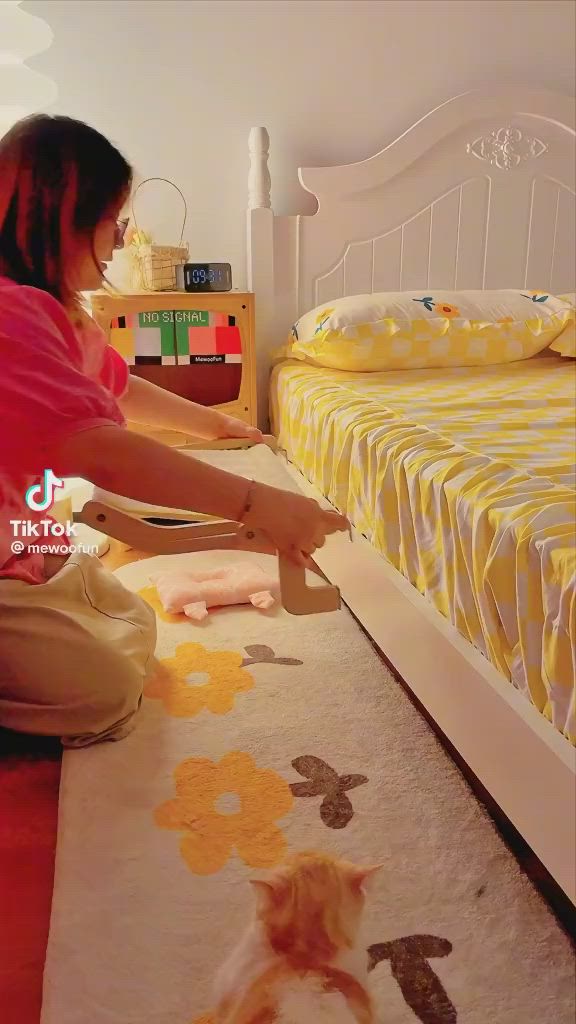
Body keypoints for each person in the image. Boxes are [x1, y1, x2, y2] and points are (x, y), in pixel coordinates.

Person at [0, 115, 348, 748]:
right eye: (115, 222)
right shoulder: (10, 313)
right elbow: (100, 450)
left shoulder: (57, 314)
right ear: (65, 220)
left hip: (16, 542)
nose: (120, 240)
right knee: (102, 689)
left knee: (126, 616)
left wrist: (218, 424)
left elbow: (118, 387)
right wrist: (260, 503)